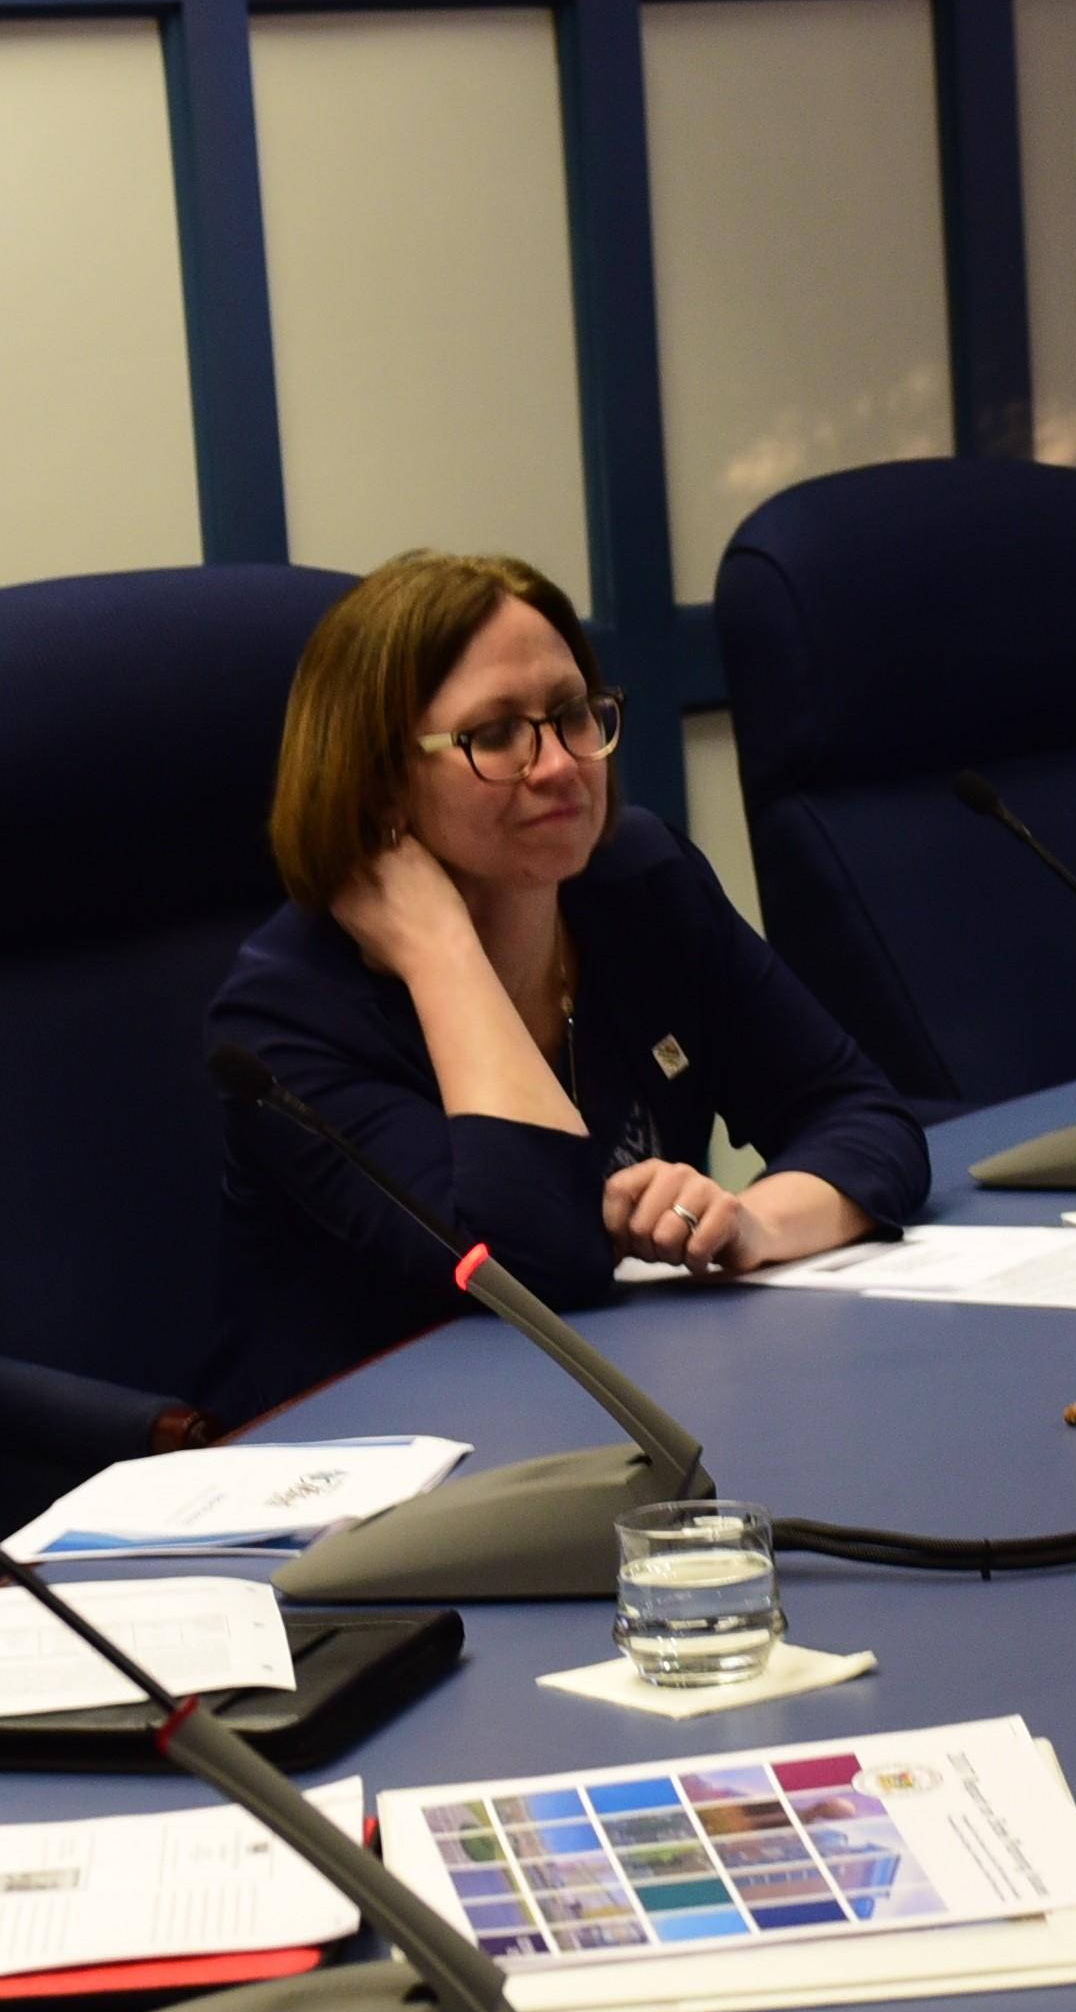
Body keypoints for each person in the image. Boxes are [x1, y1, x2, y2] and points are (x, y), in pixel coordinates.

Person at [200, 550, 929, 1424]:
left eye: (573, 714)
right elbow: (534, 1266)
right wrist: (442, 950)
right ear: (379, 782)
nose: (558, 765)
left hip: (629, 1406)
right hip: (373, 1478)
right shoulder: (288, 1019)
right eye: (497, 735)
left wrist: (753, 1224)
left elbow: (865, 1118)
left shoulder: (643, 883)